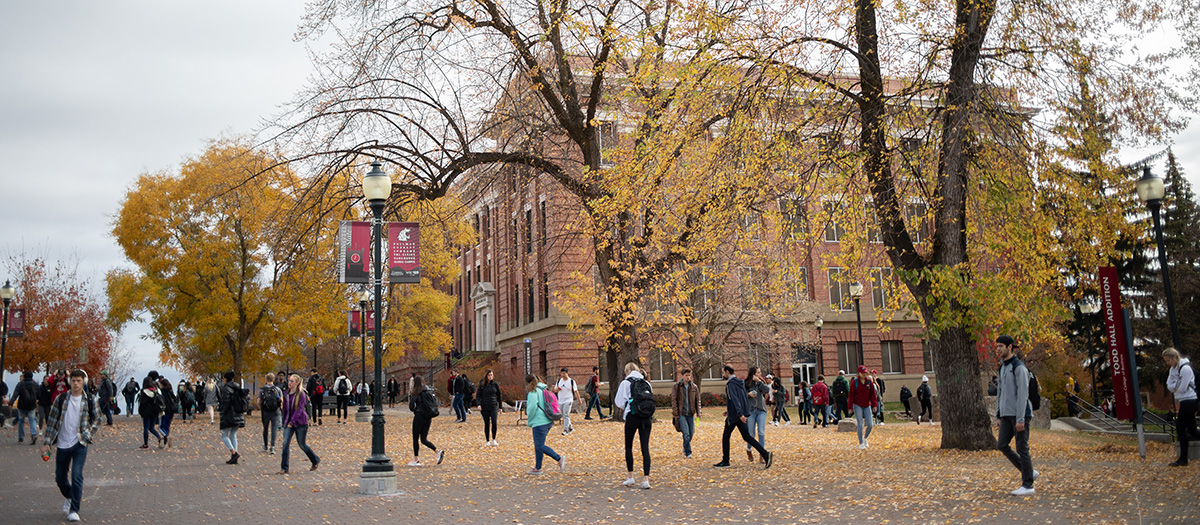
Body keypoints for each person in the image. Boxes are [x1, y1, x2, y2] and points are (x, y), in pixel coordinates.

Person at [42, 369, 101, 523]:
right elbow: (52, 422)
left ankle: (74, 509)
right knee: (60, 478)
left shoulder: (90, 400)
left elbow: (97, 419)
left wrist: (88, 434)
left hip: (80, 442)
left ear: (84, 382)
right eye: (73, 380)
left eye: (79, 381)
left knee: (77, 475)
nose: (75, 383)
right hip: (62, 443)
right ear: (70, 382)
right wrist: (47, 442)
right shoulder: (61, 399)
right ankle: (69, 496)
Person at [994, 335, 1037, 496]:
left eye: (1001, 346)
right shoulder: (1002, 367)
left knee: (1022, 447)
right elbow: (1001, 393)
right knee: (1002, 445)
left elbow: (1022, 395)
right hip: (1006, 415)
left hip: (1020, 414)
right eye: (997, 346)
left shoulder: (1018, 367)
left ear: (1010, 347)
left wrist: (1020, 418)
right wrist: (999, 415)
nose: (998, 349)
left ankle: (1028, 485)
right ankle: (1029, 471)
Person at [713, 365, 773, 469]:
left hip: (736, 415)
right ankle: (765, 454)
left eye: (723, 372)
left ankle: (726, 460)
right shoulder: (739, 381)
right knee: (747, 437)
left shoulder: (731, 384)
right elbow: (743, 398)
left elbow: (735, 399)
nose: (723, 374)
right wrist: (737, 411)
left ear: (727, 372)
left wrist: (740, 414)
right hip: (739, 413)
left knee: (726, 436)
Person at [278, 373, 320, 474]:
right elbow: (285, 410)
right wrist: (285, 422)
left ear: (297, 383)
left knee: (302, 444)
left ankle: (315, 459)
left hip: (300, 422)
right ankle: (284, 468)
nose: (290, 383)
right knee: (285, 444)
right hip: (289, 422)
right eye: (289, 381)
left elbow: (299, 410)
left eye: (292, 381)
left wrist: (292, 422)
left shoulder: (301, 394)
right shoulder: (287, 394)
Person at [1163, 348, 1197, 467]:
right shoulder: (1173, 369)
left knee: (1181, 428)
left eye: (1168, 360)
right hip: (1184, 400)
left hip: (1190, 400)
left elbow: (1181, 388)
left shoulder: (1186, 368)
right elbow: (1170, 386)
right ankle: (1182, 459)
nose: (1167, 363)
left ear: (1174, 358)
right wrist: (1176, 384)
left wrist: (1175, 385)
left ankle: (1183, 459)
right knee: (1192, 430)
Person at [524, 374, 564, 475]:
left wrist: (529, 419)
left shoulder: (533, 392)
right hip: (548, 420)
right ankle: (538, 467)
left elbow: (532, 408)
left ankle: (558, 458)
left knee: (539, 445)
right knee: (539, 444)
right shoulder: (544, 390)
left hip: (539, 421)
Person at [407, 375, 445, 466]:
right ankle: (437, 451)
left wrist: (416, 410)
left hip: (419, 416)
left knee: (415, 438)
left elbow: (411, 406)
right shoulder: (428, 391)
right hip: (428, 417)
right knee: (423, 439)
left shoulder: (417, 393)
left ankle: (416, 459)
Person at [218, 371, 247, 465]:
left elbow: (226, 402)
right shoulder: (237, 387)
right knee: (233, 434)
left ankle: (234, 453)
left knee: (224, 434)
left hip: (230, 414)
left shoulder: (226, 388)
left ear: (225, 379)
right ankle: (235, 456)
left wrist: (222, 412)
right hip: (238, 413)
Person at [671, 368, 701, 459]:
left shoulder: (694, 387)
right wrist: (675, 413)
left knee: (691, 432)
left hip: (690, 413)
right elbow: (674, 400)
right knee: (686, 433)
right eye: (686, 375)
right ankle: (688, 452)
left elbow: (697, 400)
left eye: (689, 375)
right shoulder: (677, 387)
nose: (688, 377)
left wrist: (698, 412)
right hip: (682, 413)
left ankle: (685, 446)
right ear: (682, 376)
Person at [849, 366, 878, 449]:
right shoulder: (855, 382)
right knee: (860, 424)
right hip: (857, 404)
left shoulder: (869, 382)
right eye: (862, 373)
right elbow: (851, 395)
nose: (864, 374)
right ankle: (861, 442)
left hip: (867, 405)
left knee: (870, 424)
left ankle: (865, 438)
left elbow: (873, 394)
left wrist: (874, 404)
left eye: (865, 372)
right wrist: (850, 407)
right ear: (858, 373)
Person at [744, 366, 770, 461]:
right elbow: (742, 396)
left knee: (761, 432)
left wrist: (759, 382)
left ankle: (762, 454)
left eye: (760, 372)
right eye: (758, 372)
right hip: (751, 411)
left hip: (761, 410)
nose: (760, 374)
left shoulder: (761, 383)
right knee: (751, 434)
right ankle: (749, 449)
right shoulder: (746, 383)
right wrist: (748, 394)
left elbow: (767, 390)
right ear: (753, 374)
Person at [10, 370, 40, 444]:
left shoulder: (20, 384)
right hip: (32, 405)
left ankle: (21, 437)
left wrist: (11, 402)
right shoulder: (35, 384)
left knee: (21, 421)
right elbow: (39, 394)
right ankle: (33, 434)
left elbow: (15, 394)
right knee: (32, 419)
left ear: (24, 376)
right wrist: (38, 401)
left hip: (22, 405)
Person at [137, 376, 165, 449]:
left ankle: (146, 444)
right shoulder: (157, 390)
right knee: (151, 427)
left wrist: (141, 412)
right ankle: (160, 437)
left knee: (146, 428)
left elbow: (142, 404)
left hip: (147, 412)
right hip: (155, 411)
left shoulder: (144, 392)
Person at [258, 373, 283, 454]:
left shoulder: (262, 389)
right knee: (274, 429)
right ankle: (272, 446)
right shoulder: (277, 389)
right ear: (274, 380)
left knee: (265, 428)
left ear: (266, 379)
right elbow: (282, 401)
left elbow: (258, 401)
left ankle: (265, 445)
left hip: (265, 411)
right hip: (275, 411)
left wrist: (260, 407)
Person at [477, 369, 502, 447]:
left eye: (491, 375)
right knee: (487, 423)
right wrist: (479, 404)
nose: (490, 376)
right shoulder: (481, 384)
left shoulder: (495, 384)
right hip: (485, 406)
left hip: (493, 405)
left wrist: (500, 406)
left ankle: (494, 439)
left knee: (494, 422)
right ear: (486, 376)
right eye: (489, 375)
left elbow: (499, 395)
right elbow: (478, 396)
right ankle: (487, 440)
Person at [554, 368, 579, 436]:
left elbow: (576, 391)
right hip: (560, 400)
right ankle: (570, 427)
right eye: (562, 373)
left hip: (568, 400)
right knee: (564, 415)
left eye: (564, 373)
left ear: (567, 373)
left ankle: (566, 430)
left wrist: (579, 400)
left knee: (566, 414)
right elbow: (555, 390)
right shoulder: (559, 381)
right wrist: (557, 389)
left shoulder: (571, 381)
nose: (563, 375)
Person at [158, 377, 178, 448]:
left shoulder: (162, 392)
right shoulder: (170, 391)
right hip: (171, 410)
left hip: (164, 411)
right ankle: (166, 439)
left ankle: (166, 436)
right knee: (167, 425)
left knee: (160, 427)